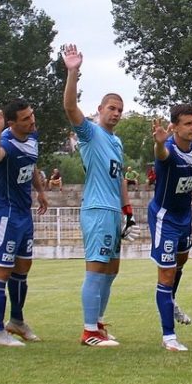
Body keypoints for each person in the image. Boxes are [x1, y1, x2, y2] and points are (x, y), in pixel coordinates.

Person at [63, 43, 138, 347]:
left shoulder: (116, 142)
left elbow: (119, 178)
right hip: (96, 209)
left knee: (111, 269)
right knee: (96, 268)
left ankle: (98, 323)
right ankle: (88, 331)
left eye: (120, 110)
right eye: (111, 108)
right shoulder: (91, 133)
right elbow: (70, 108)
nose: (116, 113)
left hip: (113, 212)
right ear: (100, 109)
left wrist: (128, 213)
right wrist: (73, 73)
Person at [0, 99, 49, 347]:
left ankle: (17, 321)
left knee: (23, 268)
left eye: (32, 115)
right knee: (2, 270)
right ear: (11, 123)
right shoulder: (5, 142)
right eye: (26, 118)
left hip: (24, 212)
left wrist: (40, 191)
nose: (32, 120)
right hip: (5, 213)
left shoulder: (33, 136)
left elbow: (31, 164)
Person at [150, 104, 192, 351]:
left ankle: (169, 299)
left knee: (180, 263)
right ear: (174, 127)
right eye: (188, 123)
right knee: (166, 273)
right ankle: (169, 337)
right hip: (165, 218)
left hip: (185, 216)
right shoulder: (168, 149)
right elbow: (161, 154)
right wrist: (158, 144)